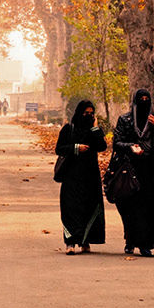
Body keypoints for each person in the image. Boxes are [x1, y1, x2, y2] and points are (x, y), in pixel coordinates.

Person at [111, 88, 154, 256]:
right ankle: (130, 240)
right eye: (141, 99)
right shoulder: (125, 120)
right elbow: (117, 143)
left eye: (147, 98)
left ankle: (145, 243)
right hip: (128, 169)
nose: (144, 101)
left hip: (148, 170)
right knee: (129, 207)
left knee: (146, 207)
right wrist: (131, 147)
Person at [54, 99, 107, 253]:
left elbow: (102, 147)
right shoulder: (68, 129)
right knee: (71, 208)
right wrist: (76, 148)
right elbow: (59, 149)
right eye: (86, 113)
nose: (89, 116)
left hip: (90, 176)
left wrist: (96, 129)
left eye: (91, 113)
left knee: (89, 207)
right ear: (79, 113)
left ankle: (85, 241)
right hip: (71, 176)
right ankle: (70, 242)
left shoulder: (94, 130)